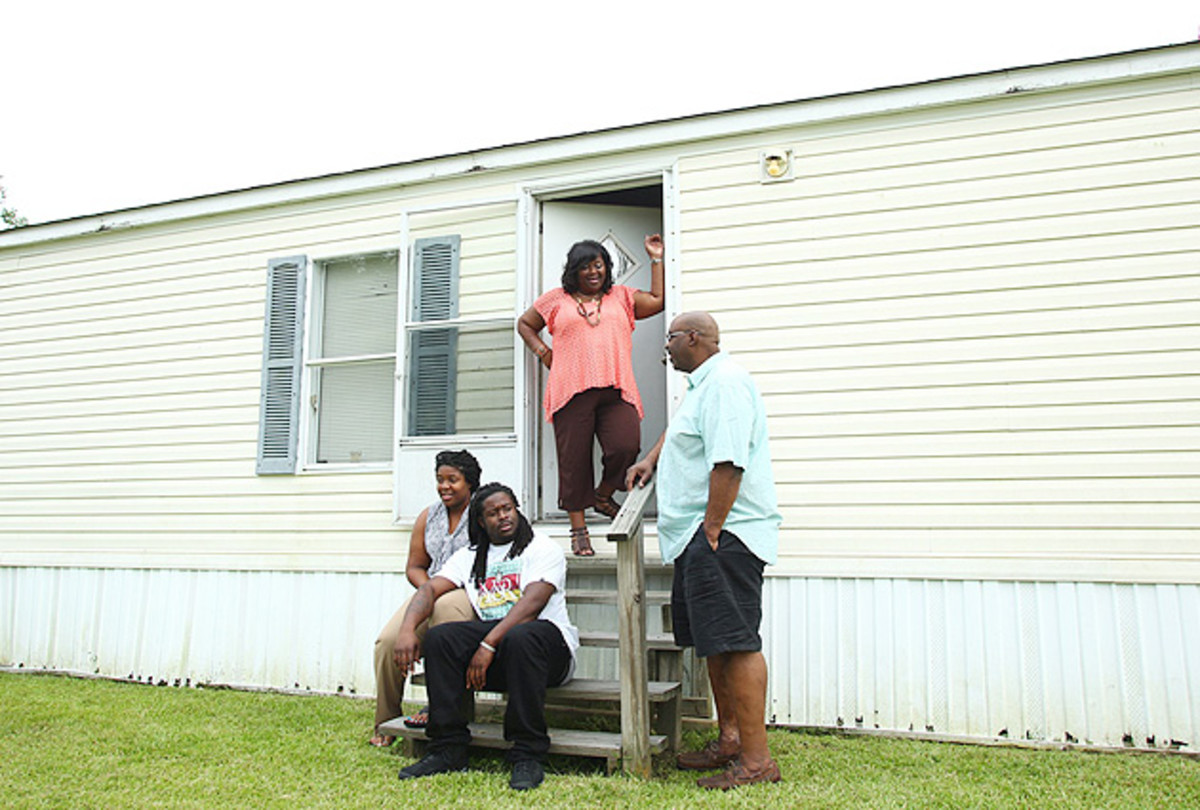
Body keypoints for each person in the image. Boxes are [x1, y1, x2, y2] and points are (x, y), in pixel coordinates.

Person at [626, 312, 784, 790]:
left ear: (693, 338)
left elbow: (729, 461)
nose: (666, 350)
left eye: (669, 340)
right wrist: (652, 459)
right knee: (716, 644)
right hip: (702, 535)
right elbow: (685, 435)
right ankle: (730, 740)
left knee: (737, 643)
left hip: (723, 535)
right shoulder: (701, 387)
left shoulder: (727, 384)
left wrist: (712, 528)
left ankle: (757, 762)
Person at [393, 483, 579, 791]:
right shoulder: (471, 556)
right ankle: (448, 747)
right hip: (500, 656)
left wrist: (487, 644)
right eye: (493, 513)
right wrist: (406, 629)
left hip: (547, 654)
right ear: (481, 521)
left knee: (522, 634)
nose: (503, 517)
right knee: (441, 638)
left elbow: (532, 605)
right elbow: (430, 588)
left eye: (507, 509)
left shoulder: (542, 547)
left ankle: (527, 754)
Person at [517, 234, 665, 556]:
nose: (592, 272)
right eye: (584, 267)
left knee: (626, 446)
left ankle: (603, 495)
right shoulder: (556, 300)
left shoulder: (622, 297)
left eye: (597, 265)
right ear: (574, 271)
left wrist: (656, 259)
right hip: (570, 389)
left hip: (615, 387)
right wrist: (543, 352)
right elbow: (525, 324)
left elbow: (658, 299)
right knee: (574, 460)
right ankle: (578, 528)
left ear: (606, 267)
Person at [369, 449, 482, 747]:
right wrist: (428, 588)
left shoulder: (483, 513)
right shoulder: (427, 516)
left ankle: (442, 711)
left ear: (469, 482)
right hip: (429, 590)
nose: (444, 486)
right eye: (440, 479)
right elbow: (415, 566)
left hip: (466, 592)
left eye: (453, 480)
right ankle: (386, 721)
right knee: (388, 642)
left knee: (444, 623)